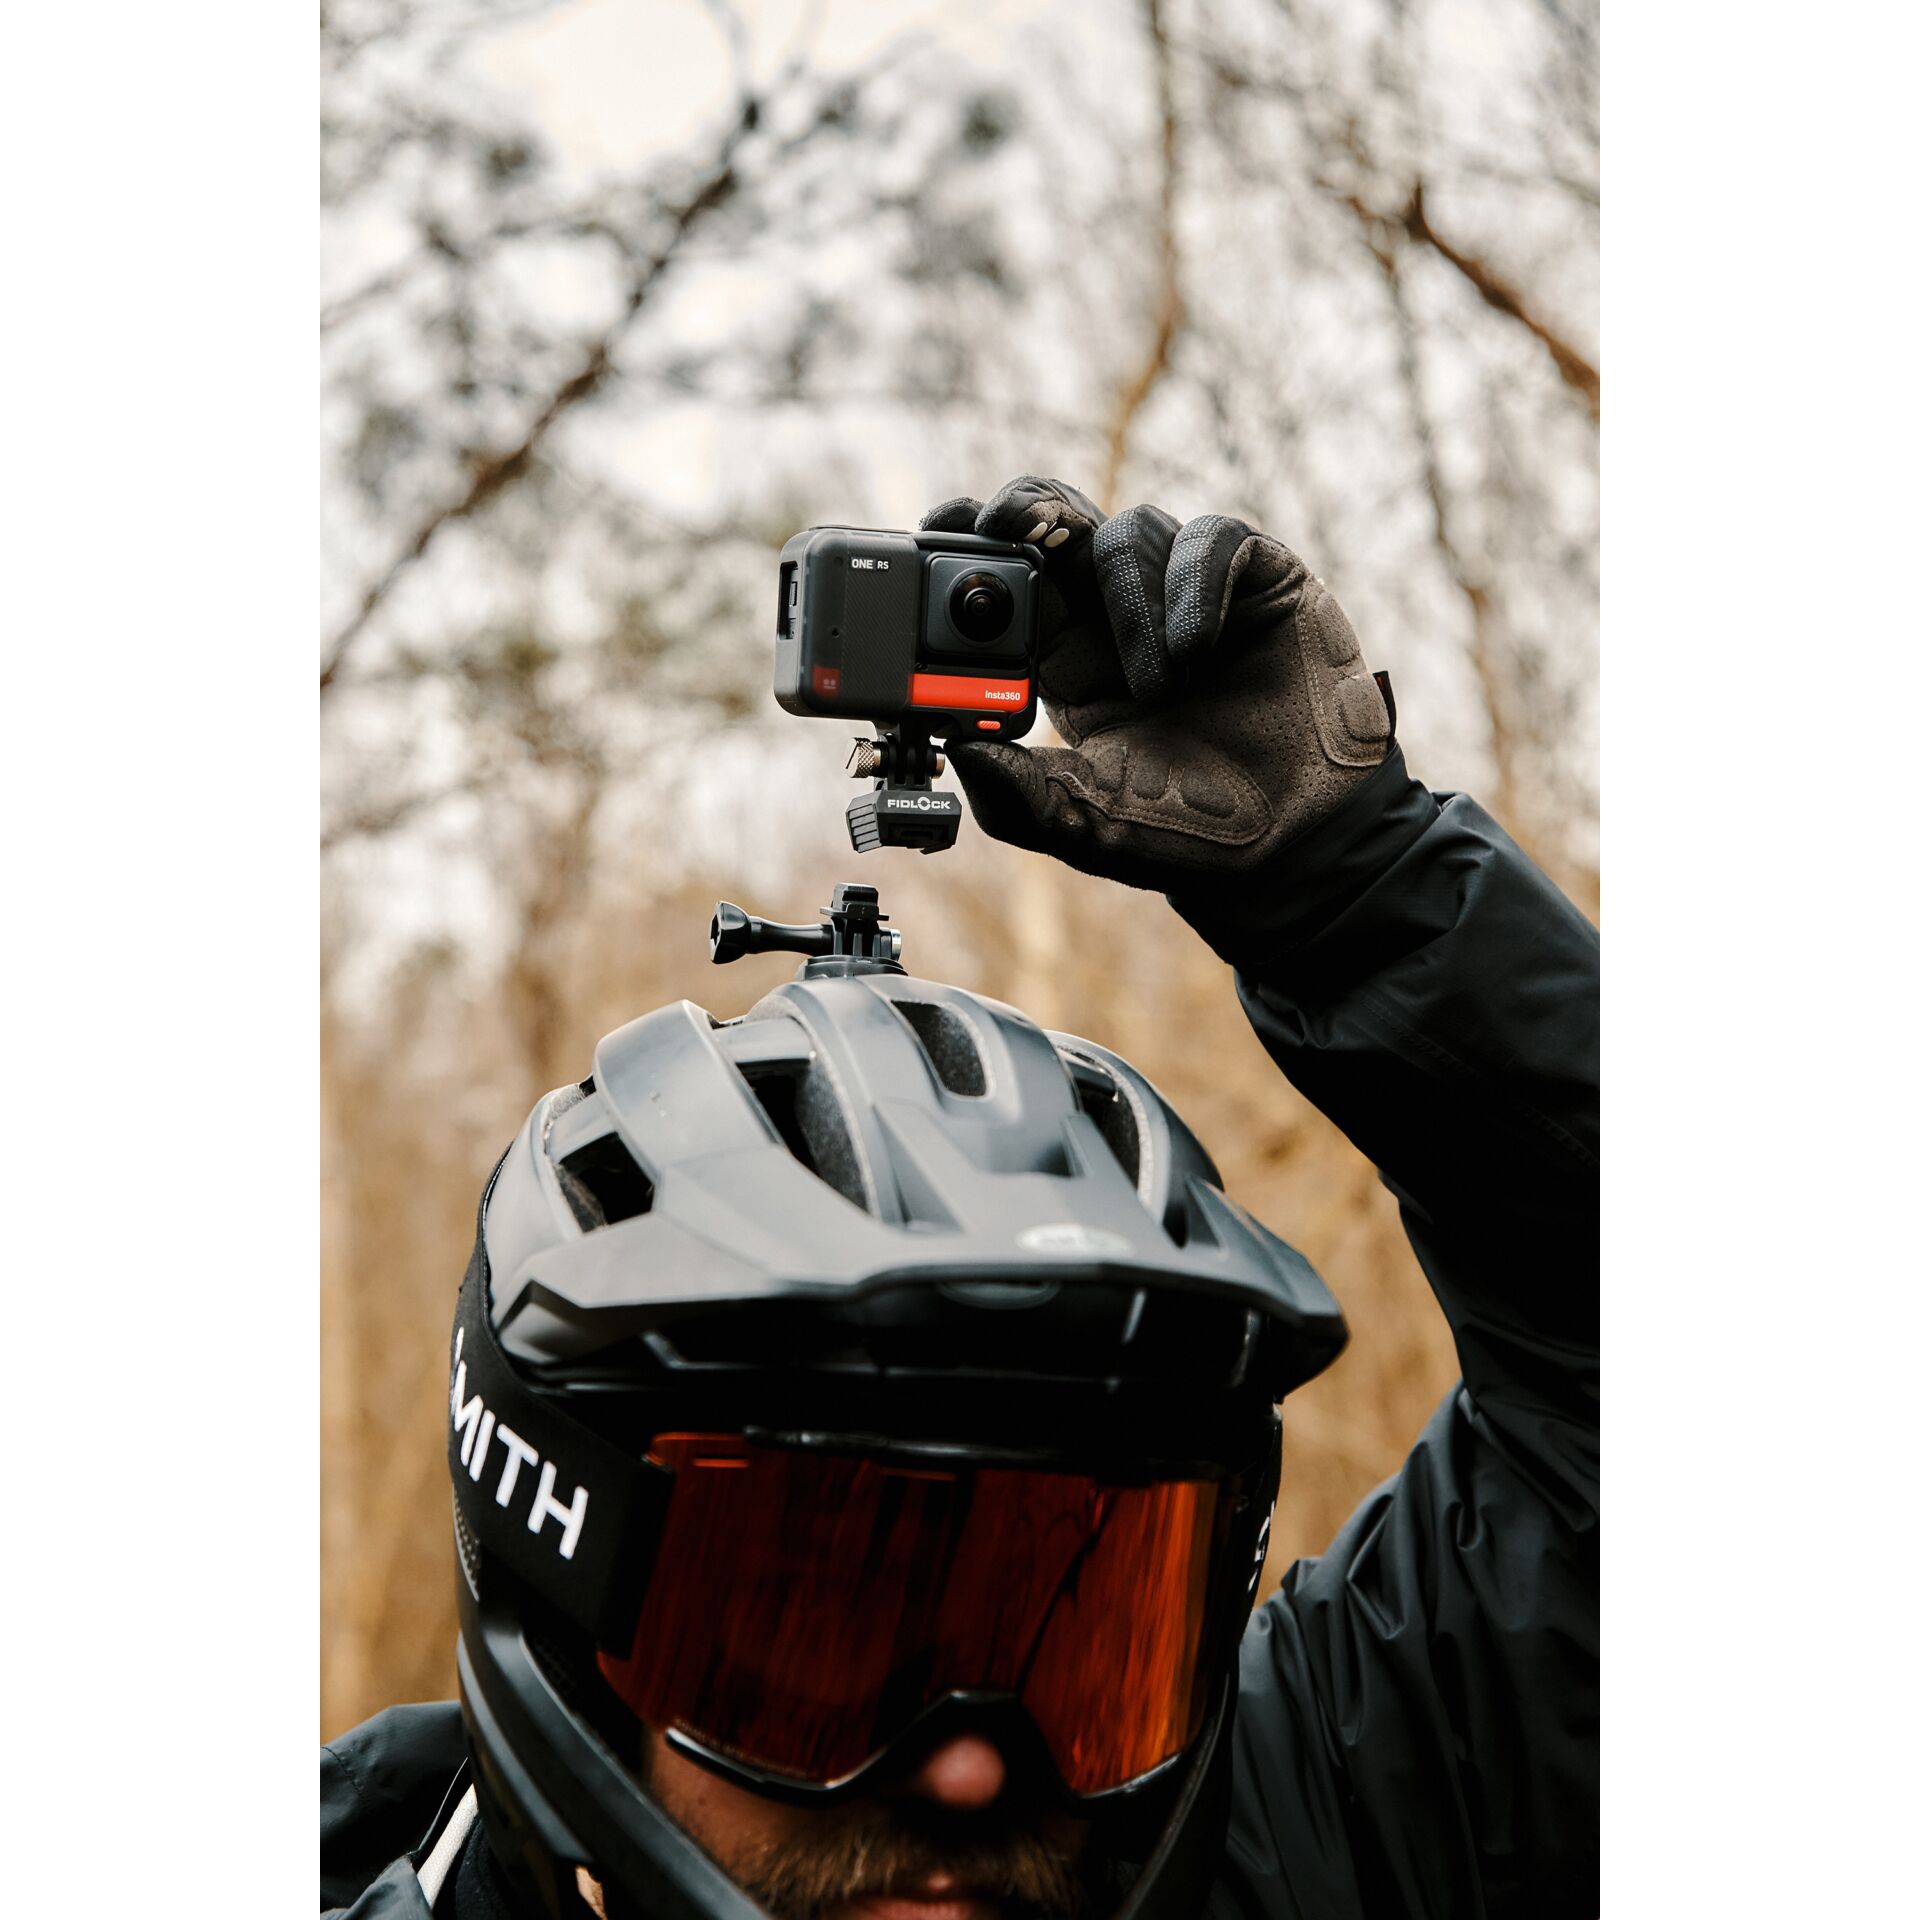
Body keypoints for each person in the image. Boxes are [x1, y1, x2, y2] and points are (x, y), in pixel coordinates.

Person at [321, 476, 1599, 1920]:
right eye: (809, 1641)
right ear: (566, 1631)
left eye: (1079, 1639)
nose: (976, 1771)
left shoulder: (1266, 1852)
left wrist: (1362, 895)